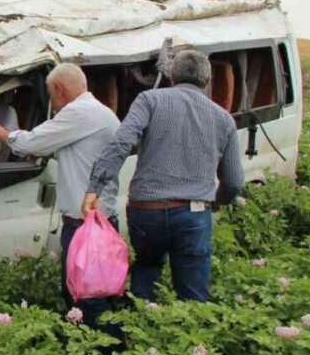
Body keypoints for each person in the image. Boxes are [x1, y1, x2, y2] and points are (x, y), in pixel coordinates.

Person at [83, 49, 244, 303]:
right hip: (194, 213)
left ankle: (139, 329)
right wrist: (216, 201)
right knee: (193, 294)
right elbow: (234, 182)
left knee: (146, 270)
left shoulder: (149, 100)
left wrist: (95, 187)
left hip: (147, 211)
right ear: (208, 80)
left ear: (171, 75)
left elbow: (121, 143)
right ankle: (188, 338)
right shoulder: (224, 119)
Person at [0, 63, 121, 332]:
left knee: (85, 298)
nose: (53, 102)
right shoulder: (102, 113)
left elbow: (32, 141)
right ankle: (102, 351)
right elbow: (78, 154)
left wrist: (3, 134)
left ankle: (110, 352)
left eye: (51, 95)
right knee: (98, 293)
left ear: (58, 89)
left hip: (84, 226)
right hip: (103, 220)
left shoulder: (78, 113)